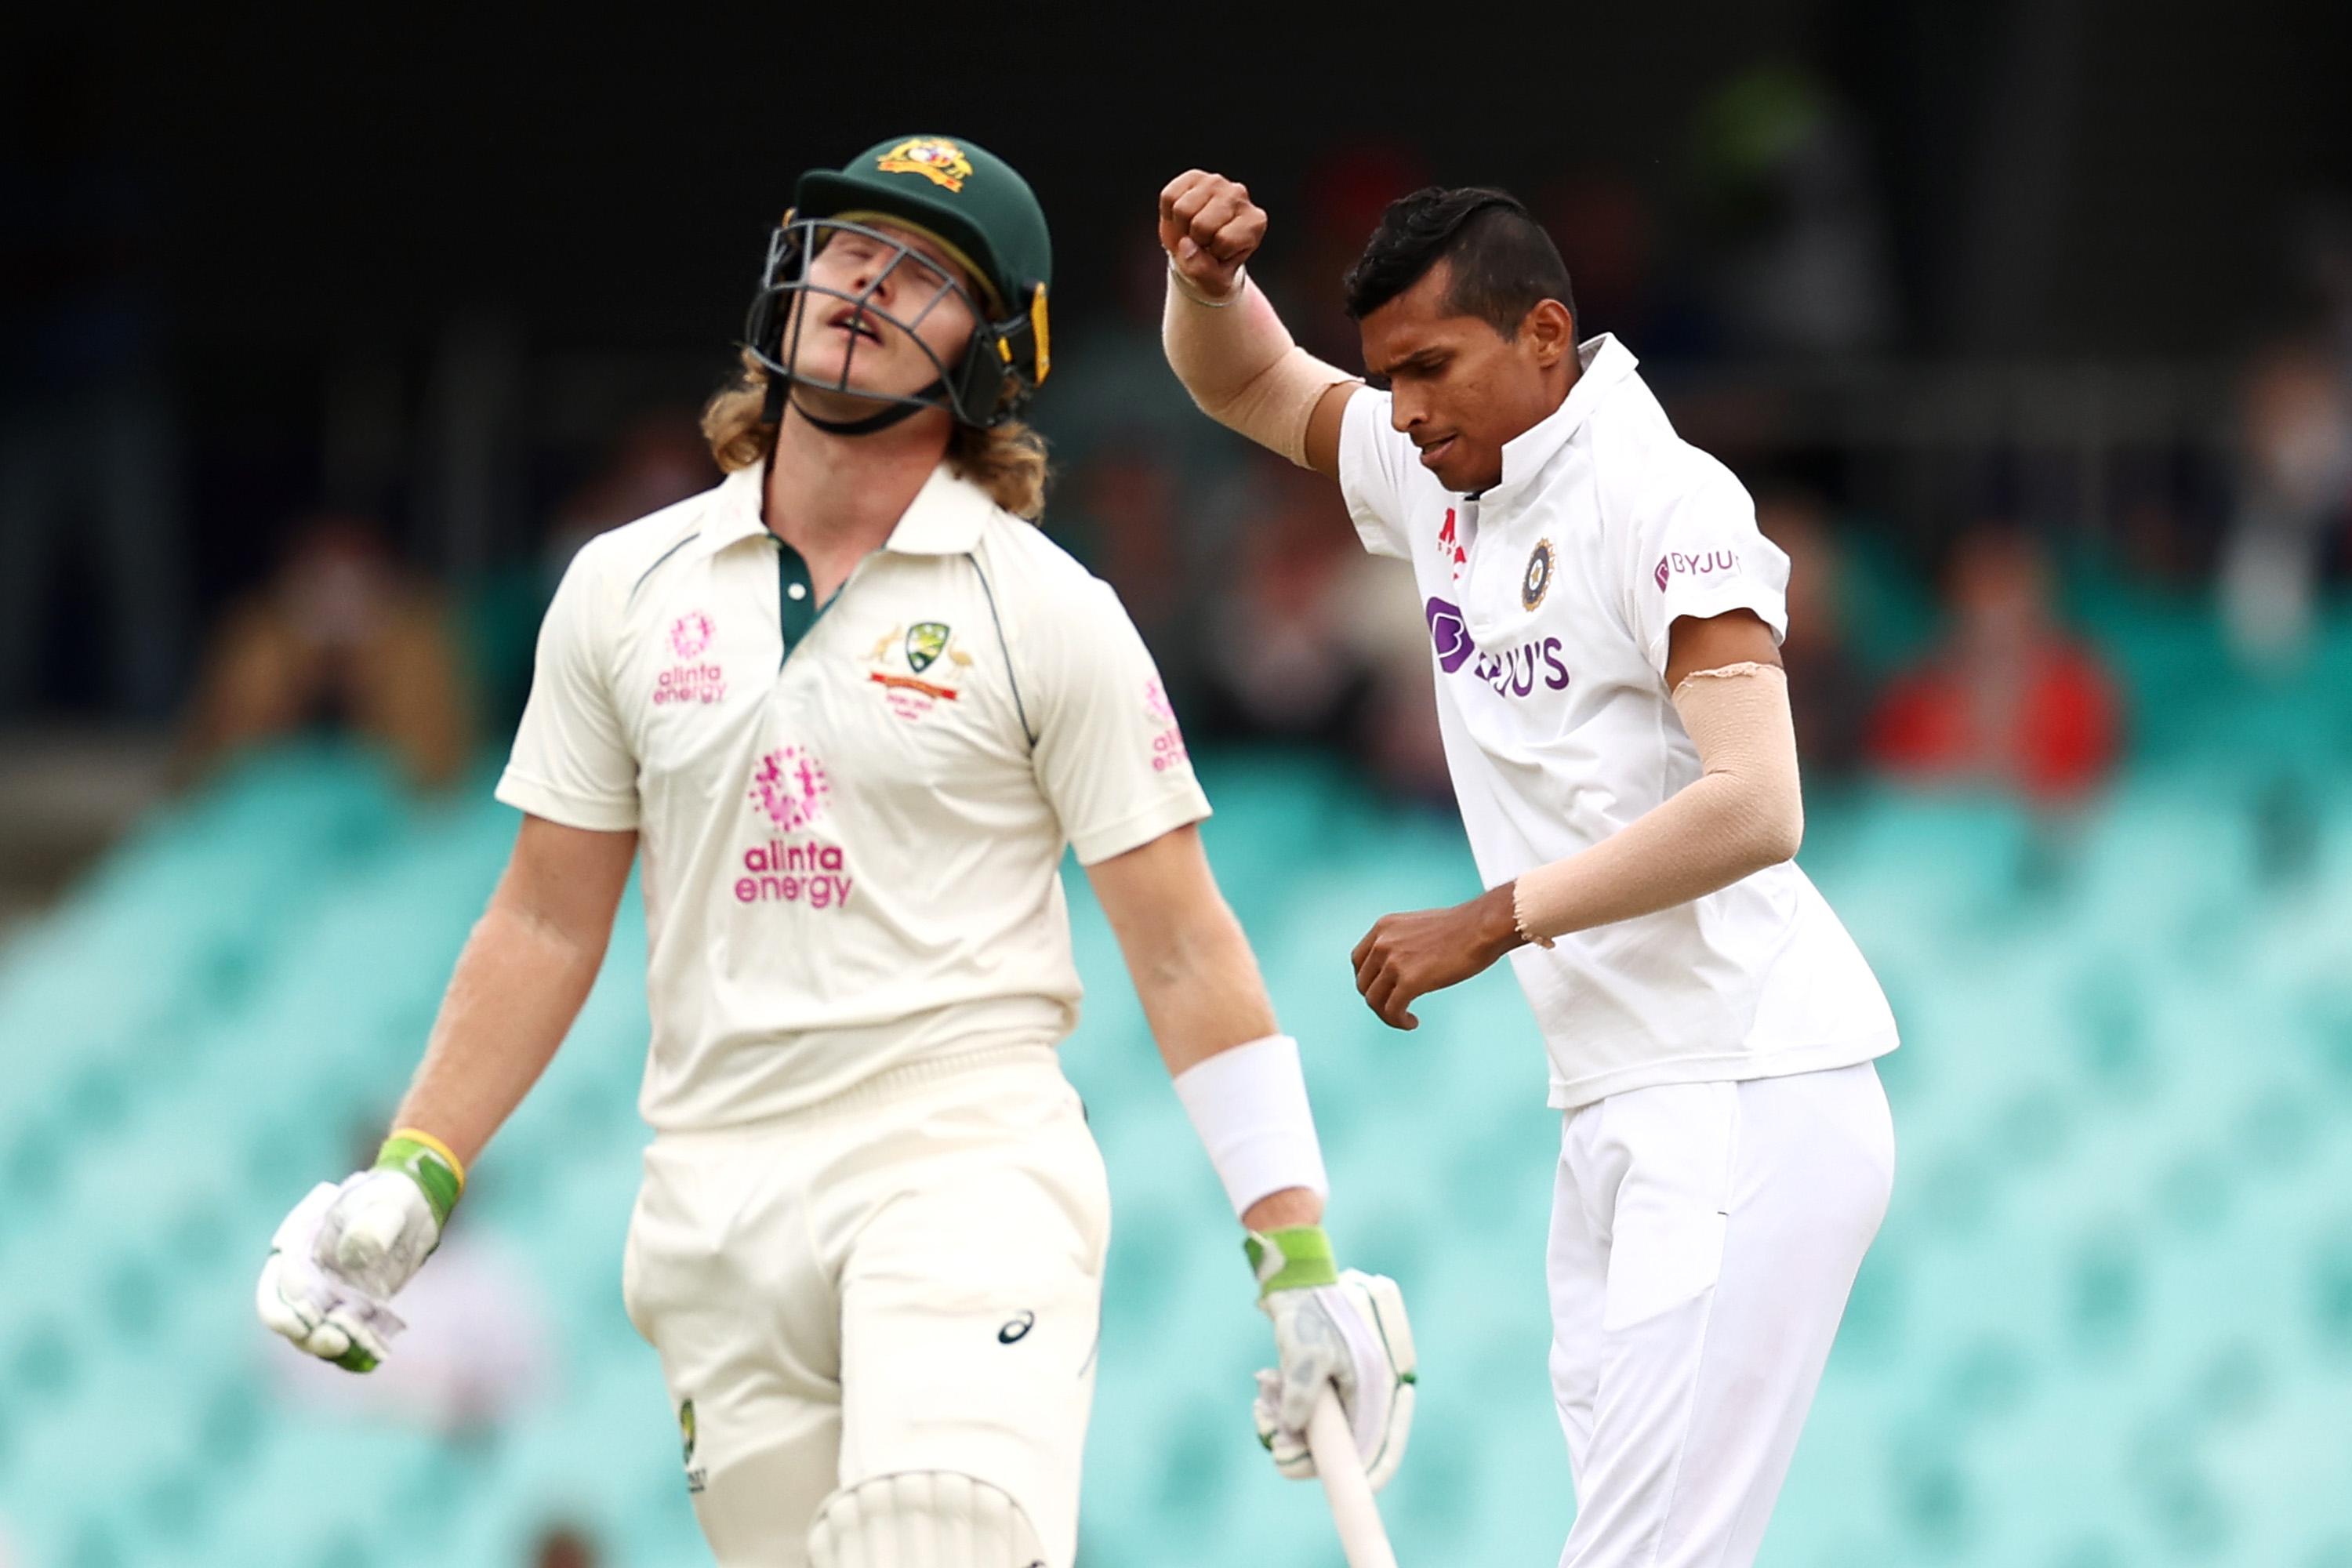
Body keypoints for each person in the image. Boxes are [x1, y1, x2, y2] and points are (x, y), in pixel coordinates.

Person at [255, 137, 1416, 1568]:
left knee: (931, 1542)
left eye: (924, 272)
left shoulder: (1045, 609)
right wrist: (417, 1168)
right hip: (712, 1193)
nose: (865, 282)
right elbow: (547, 922)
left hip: (958, 1158)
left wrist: (1294, 1255)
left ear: (994, 354)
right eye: (848, 247)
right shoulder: (622, 587)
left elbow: (1181, 944)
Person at [1160, 172, 1897, 1568]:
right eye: (1386, 378)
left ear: (1546, 335)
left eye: (1432, 366)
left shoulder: (1664, 496)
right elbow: (1247, 382)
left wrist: (1494, 922)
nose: (1405, 408)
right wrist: (1206, 286)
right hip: (1614, 1100)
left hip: (1740, 1084)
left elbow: (1760, 805)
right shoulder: (1437, 469)